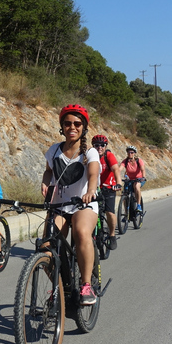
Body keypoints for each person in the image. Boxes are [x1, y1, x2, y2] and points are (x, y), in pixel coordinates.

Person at [41, 104, 101, 305]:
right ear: (62, 126)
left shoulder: (90, 152)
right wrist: (45, 182)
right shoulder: (54, 150)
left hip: (84, 204)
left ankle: (86, 285)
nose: (72, 127)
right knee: (46, 247)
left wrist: (91, 191)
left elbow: (93, 174)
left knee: (81, 232)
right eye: (67, 123)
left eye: (77, 123)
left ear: (83, 127)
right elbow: (49, 171)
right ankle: (61, 287)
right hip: (59, 205)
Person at [91, 134, 121, 250]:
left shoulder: (108, 156)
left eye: (102, 145)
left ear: (106, 146)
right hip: (95, 189)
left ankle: (112, 235)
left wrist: (118, 183)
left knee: (110, 212)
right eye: (97, 145)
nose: (100, 147)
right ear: (93, 146)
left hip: (109, 188)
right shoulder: (90, 156)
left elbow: (116, 169)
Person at [122, 145, 146, 213]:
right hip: (130, 180)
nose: (130, 154)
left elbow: (143, 170)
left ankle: (138, 205)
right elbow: (119, 168)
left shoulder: (139, 160)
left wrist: (143, 177)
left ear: (134, 153)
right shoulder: (125, 161)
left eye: (132, 152)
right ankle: (126, 213)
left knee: (136, 186)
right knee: (124, 195)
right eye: (129, 152)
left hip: (139, 179)